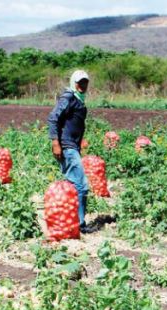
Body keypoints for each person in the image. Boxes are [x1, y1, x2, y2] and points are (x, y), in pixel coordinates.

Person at [48, 70, 93, 233]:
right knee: (81, 185)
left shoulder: (79, 100)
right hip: (67, 146)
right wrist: (55, 142)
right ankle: (80, 224)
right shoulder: (68, 97)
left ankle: (66, 219)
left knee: (72, 184)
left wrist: (80, 138)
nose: (82, 85)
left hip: (72, 145)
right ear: (74, 82)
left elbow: (73, 122)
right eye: (79, 82)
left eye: (85, 82)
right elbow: (53, 118)